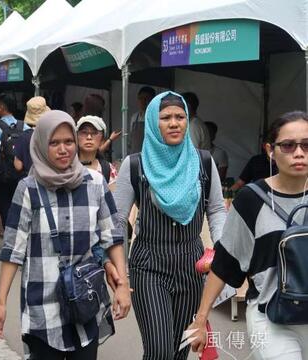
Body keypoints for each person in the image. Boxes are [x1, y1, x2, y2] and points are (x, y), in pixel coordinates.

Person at [0, 110, 130, 360]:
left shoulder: (95, 183)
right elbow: (13, 250)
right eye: (54, 143)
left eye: (68, 142)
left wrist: (122, 286)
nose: (63, 149)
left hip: (86, 301)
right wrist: (1, 302)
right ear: (42, 145)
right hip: (42, 306)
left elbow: (112, 237)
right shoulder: (28, 189)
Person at [112, 91, 226, 359]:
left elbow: (217, 208)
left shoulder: (204, 162)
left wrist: (220, 249)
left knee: (179, 350)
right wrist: (120, 276)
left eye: (180, 117)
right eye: (165, 118)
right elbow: (117, 221)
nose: (174, 123)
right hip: (149, 266)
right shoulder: (135, 165)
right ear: (153, 122)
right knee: (159, 351)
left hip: (192, 265)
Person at [188, 111, 308, 360]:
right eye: (288, 145)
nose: (299, 152)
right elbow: (224, 262)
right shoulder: (252, 200)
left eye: (306, 145)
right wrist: (201, 319)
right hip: (271, 316)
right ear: (270, 150)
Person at [0, 93, 29, 228]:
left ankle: (9, 236)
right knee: (20, 207)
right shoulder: (24, 126)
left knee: (4, 208)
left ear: (1, 107)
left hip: (2, 174)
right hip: (21, 173)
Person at [76, 115, 118, 191]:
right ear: (76, 137)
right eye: (84, 132)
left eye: (94, 133)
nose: (89, 137)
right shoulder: (67, 166)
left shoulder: (108, 169)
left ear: (102, 140)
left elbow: (114, 200)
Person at [13, 96, 50, 174]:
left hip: (30, 180)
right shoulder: (52, 135)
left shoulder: (23, 137)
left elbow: (18, 166)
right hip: (49, 178)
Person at [128, 86, 156, 154]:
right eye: (141, 98)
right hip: (135, 155)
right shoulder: (134, 117)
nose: (143, 101)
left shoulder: (156, 117)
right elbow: (131, 139)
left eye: (146, 98)